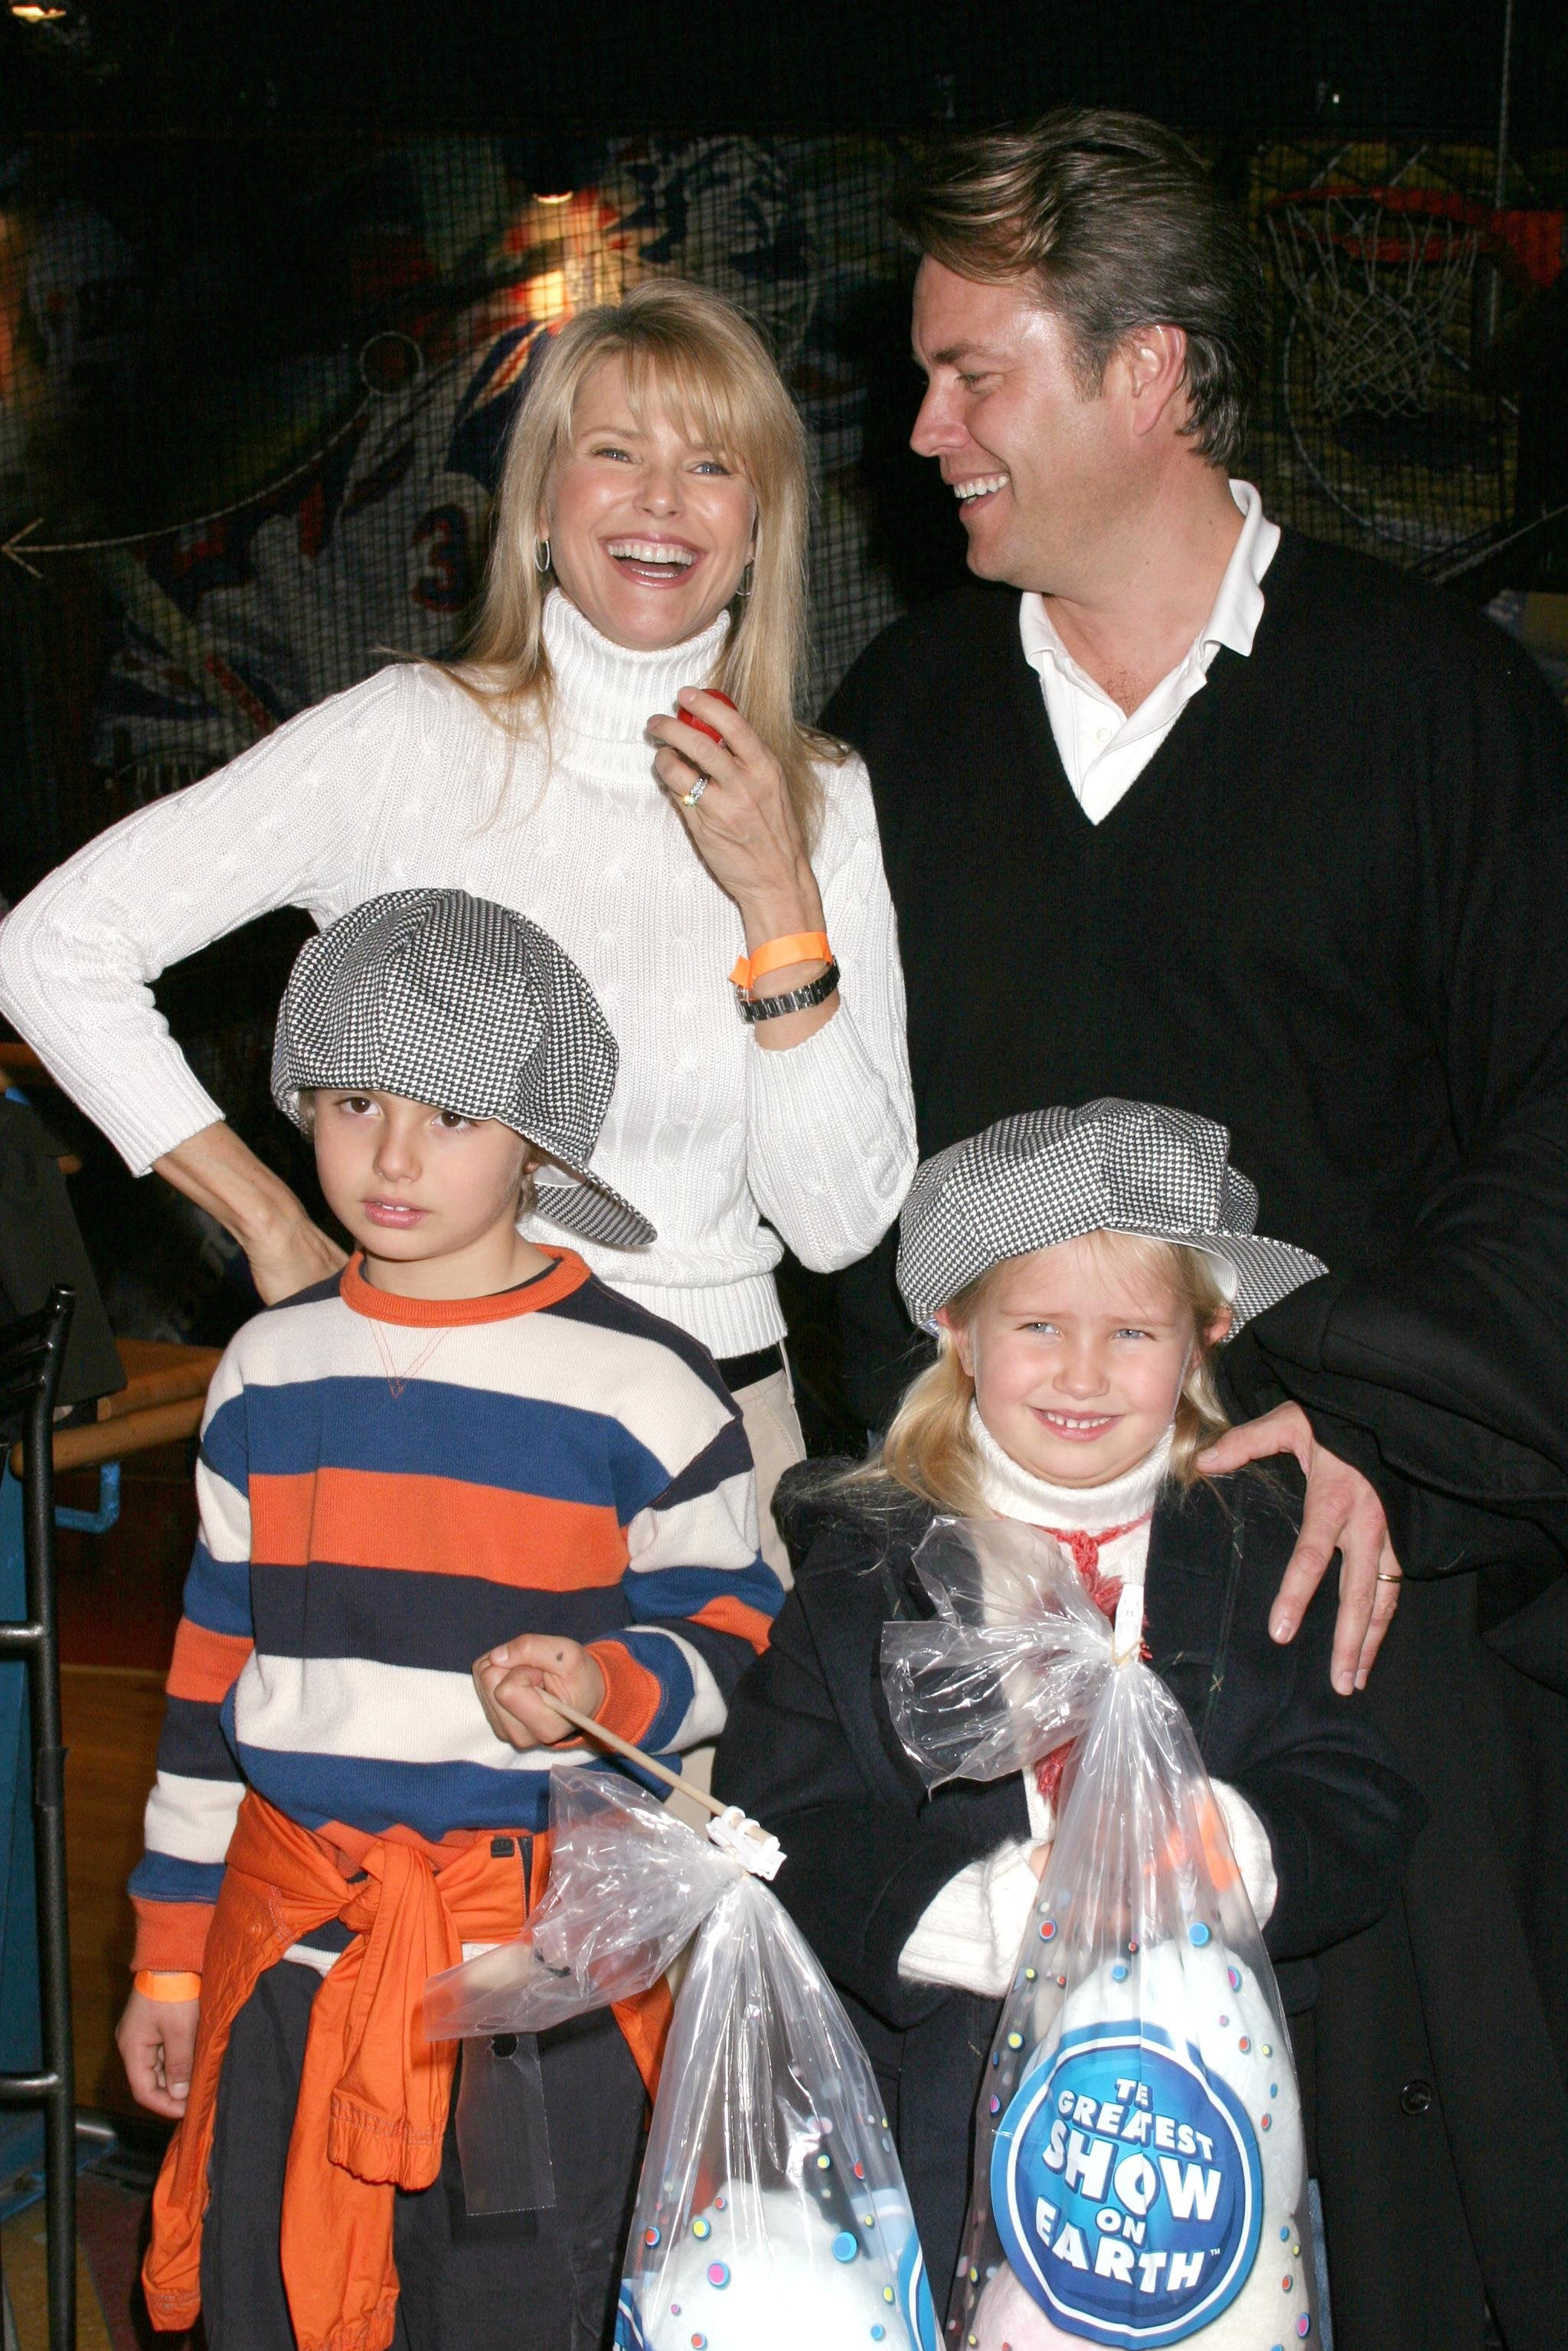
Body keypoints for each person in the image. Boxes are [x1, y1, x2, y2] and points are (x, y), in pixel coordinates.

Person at [821, 110, 1568, 2349]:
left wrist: (1370, 1416)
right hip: (991, 1620)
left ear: (1149, 372)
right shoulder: (899, 723)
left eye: (974, 374)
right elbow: (839, 1178)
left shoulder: (1439, 707)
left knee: (1403, 2230)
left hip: (1348, 1604)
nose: (922, 428)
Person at [0, 276, 916, 1575]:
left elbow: (836, 1225)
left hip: (710, 1439)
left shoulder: (819, 798)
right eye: (616, 452)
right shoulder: (410, 740)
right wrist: (272, 1227)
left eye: (712, 465)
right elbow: (51, 948)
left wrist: (778, 901)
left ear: (760, 526)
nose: (662, 499)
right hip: (425, 1420)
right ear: (539, 503)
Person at [116, 890, 785, 2351]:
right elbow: (209, 1681)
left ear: (539, 1143)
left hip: (530, 1979)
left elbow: (738, 1625)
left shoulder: (647, 1385)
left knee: (517, 2317)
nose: (395, 1157)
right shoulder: (265, 1372)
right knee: (269, 2309)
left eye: (456, 1116)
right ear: (302, 1103)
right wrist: (169, 1952)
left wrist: (608, 1679)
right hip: (291, 1953)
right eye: (355, 1101)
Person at [716, 1101, 1424, 2301]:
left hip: (1217, 2141)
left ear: (1202, 1339)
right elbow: (782, 1816)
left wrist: (1234, 1853)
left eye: (1132, 1332)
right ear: (959, 1329)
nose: (1084, 1374)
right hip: (940, 2124)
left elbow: (1360, 1795)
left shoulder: (1265, 1544)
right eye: (1038, 1324)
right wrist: (976, 1916)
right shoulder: (864, 1565)